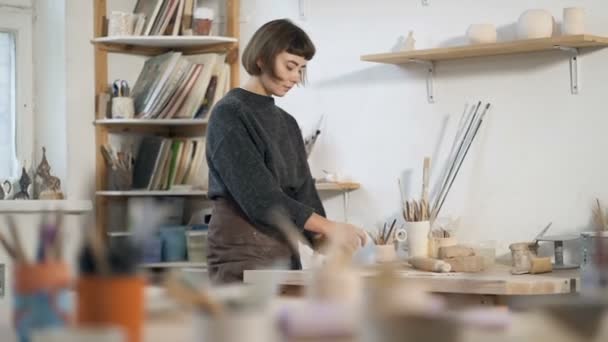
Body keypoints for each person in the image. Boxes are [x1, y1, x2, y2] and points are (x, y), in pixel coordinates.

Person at [205, 19, 367, 284]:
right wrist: (329, 228)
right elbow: (260, 198)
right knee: (250, 326)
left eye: (301, 69)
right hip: (241, 254)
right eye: (290, 66)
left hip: (283, 253)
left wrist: (327, 242)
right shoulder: (230, 113)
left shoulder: (287, 123)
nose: (295, 77)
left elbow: (304, 193)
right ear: (261, 59)